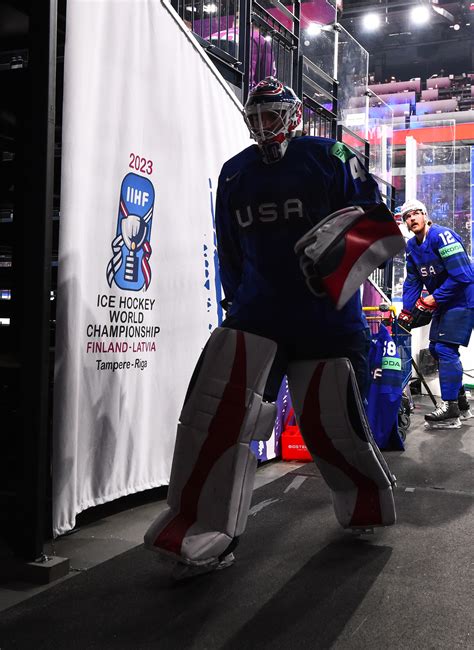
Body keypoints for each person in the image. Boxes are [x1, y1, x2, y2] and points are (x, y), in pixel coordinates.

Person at [144, 77, 404, 578]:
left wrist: (333, 261)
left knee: (335, 421)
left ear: (294, 113)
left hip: (327, 318)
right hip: (259, 313)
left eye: (273, 114)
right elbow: (229, 246)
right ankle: (202, 527)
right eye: (256, 116)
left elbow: (375, 224)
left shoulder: (330, 155)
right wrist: (237, 299)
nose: (264, 126)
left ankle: (365, 500)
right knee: (217, 417)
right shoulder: (235, 172)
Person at [398, 199, 474, 428]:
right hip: (443, 302)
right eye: (407, 217)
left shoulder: (443, 236)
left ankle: (450, 407)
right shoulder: (411, 248)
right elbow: (412, 283)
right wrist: (406, 312)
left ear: (425, 216)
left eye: (415, 214)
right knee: (435, 349)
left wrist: (433, 298)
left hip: (463, 299)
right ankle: (461, 405)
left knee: (444, 348)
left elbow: (464, 276)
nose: (412, 218)